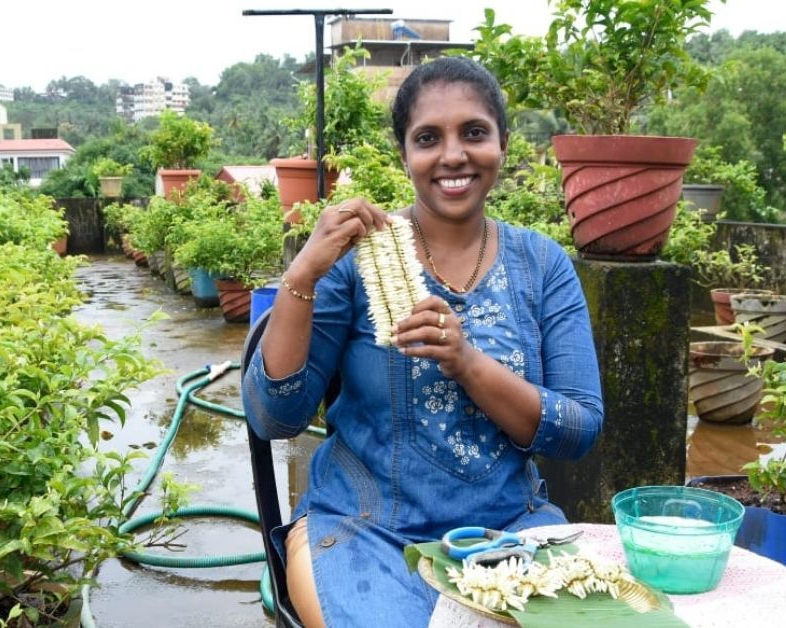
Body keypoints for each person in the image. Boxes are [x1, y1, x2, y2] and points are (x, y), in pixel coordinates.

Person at [242, 56, 603, 627]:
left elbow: (578, 429)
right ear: (405, 153)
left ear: (503, 145)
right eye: (428, 138)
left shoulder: (543, 266)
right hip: (366, 530)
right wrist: (301, 277)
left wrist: (466, 361)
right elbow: (274, 418)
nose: (453, 155)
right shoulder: (353, 263)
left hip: (507, 533)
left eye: (475, 133)